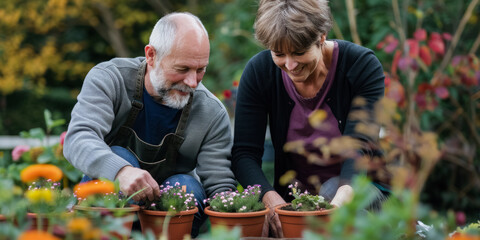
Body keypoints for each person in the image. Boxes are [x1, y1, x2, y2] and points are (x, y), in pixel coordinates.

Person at [63, 12, 237, 237]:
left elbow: (219, 182)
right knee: (119, 156)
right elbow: (78, 138)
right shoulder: (109, 79)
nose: (192, 82)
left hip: (169, 209)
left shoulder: (211, 112)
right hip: (108, 206)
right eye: (182, 69)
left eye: (200, 69)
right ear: (151, 55)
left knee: (188, 186)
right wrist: (121, 171)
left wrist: (236, 217)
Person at [231, 0, 389, 237]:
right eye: (279, 54)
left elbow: (360, 145)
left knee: (330, 190)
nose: (290, 65)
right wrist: (271, 201)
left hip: (360, 192)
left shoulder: (361, 66)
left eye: (299, 52)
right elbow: (244, 154)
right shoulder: (259, 72)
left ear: (321, 37)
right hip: (295, 203)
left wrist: (337, 205)